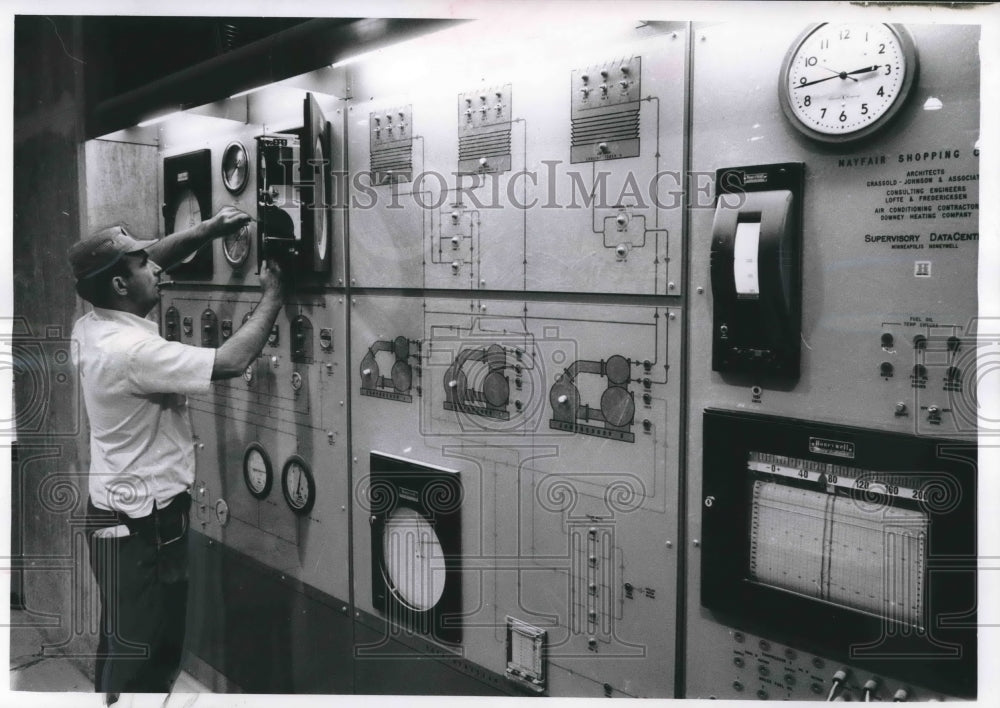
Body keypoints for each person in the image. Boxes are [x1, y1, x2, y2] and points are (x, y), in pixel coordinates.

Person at [68, 206, 285, 702]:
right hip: (145, 529)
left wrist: (208, 230)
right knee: (147, 660)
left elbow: (153, 261)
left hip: (118, 519)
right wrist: (274, 293)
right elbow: (230, 361)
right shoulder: (132, 352)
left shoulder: (92, 325)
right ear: (121, 286)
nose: (155, 271)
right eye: (142, 267)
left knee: (123, 647)